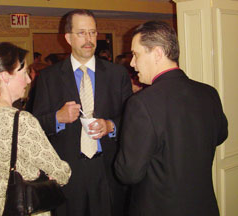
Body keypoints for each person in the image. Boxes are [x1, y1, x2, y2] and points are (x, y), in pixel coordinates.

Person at [114, 21, 228, 216]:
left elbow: (128, 173)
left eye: (136, 54)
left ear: (158, 53)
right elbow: (220, 136)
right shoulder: (208, 92)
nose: (132, 63)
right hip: (204, 206)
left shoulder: (141, 103)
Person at [28, 9, 132, 216]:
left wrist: (111, 126)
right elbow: (35, 125)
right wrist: (57, 118)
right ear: (68, 38)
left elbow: (131, 117)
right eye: (81, 33)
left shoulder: (116, 74)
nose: (89, 39)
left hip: (107, 168)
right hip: (67, 170)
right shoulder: (49, 77)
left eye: (92, 33)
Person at [0, 42, 71, 216]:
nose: (29, 80)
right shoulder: (20, 120)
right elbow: (61, 173)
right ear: (4, 76)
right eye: (23, 73)